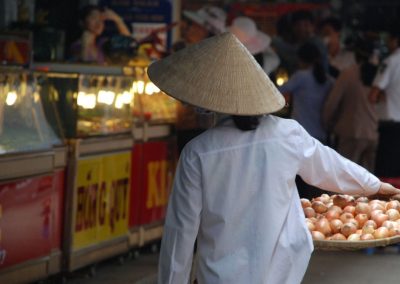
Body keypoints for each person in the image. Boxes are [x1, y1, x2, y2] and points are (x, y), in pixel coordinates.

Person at [147, 33, 400, 284]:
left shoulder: (198, 152)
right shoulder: (288, 134)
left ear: (209, 102)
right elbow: (332, 168)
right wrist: (375, 185)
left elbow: (180, 233)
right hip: (282, 275)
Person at [175, 6, 227, 153]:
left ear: (206, 31)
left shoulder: (214, 59)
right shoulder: (188, 51)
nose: (188, 28)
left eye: (193, 25)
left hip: (202, 129)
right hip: (190, 127)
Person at [323, 37, 378, 172]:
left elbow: (332, 103)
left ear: (355, 54)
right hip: (374, 134)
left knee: (345, 176)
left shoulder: (348, 73)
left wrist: (326, 124)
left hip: (352, 132)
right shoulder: (379, 73)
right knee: (370, 182)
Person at [279, 42, 333, 144]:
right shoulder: (328, 80)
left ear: (301, 59)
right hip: (321, 135)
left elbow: (277, 92)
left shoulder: (301, 76)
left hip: (301, 134)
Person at [369, 25, 400, 177]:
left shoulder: (391, 61)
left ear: (395, 40)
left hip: (391, 128)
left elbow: (373, 95)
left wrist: (382, 95)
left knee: (387, 176)